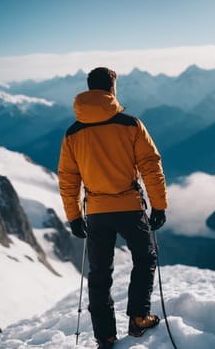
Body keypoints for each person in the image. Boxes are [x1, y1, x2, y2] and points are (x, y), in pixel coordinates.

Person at [58, 67, 167, 349]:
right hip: (130, 207)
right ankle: (139, 317)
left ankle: (105, 336)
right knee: (145, 258)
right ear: (111, 89)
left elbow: (69, 179)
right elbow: (150, 166)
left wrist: (73, 216)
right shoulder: (130, 125)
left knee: (99, 274)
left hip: (96, 211)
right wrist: (159, 205)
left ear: (89, 89)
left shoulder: (73, 132)